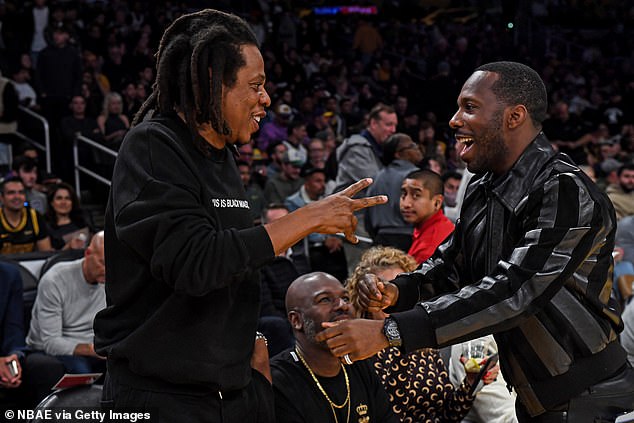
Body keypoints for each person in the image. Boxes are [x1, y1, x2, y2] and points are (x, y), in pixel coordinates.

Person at [92, 9, 385, 423]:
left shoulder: (223, 157)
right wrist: (309, 217)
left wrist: (253, 354)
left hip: (233, 390)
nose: (266, 98)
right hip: (163, 396)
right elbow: (196, 262)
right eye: (256, 85)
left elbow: (236, 263)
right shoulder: (152, 146)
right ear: (212, 83)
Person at [315, 61, 634, 422]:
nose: (453, 120)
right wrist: (398, 291)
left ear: (514, 117)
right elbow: (452, 266)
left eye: (469, 107)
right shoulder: (484, 186)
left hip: (591, 396)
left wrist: (393, 331)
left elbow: (516, 292)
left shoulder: (564, 189)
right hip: (540, 398)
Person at [346, 246, 500, 423]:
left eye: (395, 292)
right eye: (381, 291)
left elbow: (447, 415)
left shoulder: (422, 344)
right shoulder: (362, 350)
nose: (388, 301)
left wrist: (470, 383)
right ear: (364, 297)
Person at [270, 272, 399, 423]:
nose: (342, 306)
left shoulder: (360, 363)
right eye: (325, 299)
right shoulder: (278, 381)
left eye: (345, 298)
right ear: (296, 320)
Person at [26, 231, 106, 374]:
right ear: (88, 253)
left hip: (94, 345)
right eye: (103, 263)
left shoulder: (113, 279)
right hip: (51, 348)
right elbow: (51, 342)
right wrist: (92, 349)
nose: (107, 270)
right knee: (81, 370)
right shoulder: (55, 279)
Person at [365, 133, 422, 252]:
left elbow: (368, 219)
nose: (417, 147)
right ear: (398, 154)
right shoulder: (418, 176)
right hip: (409, 241)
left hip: (380, 242)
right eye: (411, 145)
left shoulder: (376, 178)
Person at [400, 169, 455, 263]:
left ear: (437, 203)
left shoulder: (429, 247)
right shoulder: (438, 226)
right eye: (404, 194)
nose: (406, 204)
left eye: (416, 195)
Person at [0, 176, 52, 254]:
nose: (17, 197)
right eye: (11, 193)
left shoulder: (35, 216)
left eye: (21, 192)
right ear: (1, 198)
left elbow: (46, 254)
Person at [44, 182, 91, 250]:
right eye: (59, 198)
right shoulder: (46, 227)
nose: (63, 202)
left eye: (67, 198)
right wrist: (68, 246)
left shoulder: (83, 221)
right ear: (51, 203)